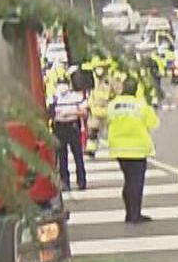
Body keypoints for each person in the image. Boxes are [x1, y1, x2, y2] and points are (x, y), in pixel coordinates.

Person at [102, 77, 159, 224]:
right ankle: (135, 214)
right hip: (137, 149)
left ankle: (129, 212)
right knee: (136, 183)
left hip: (119, 149)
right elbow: (153, 123)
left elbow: (107, 121)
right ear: (135, 90)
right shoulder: (140, 105)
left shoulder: (113, 105)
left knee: (128, 181)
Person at [47, 81, 90, 191]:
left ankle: (81, 181)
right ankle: (64, 182)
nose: (62, 87)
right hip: (59, 127)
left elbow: (85, 112)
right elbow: (48, 113)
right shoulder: (53, 98)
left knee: (78, 155)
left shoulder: (76, 97)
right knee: (62, 157)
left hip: (73, 126)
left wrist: (72, 113)